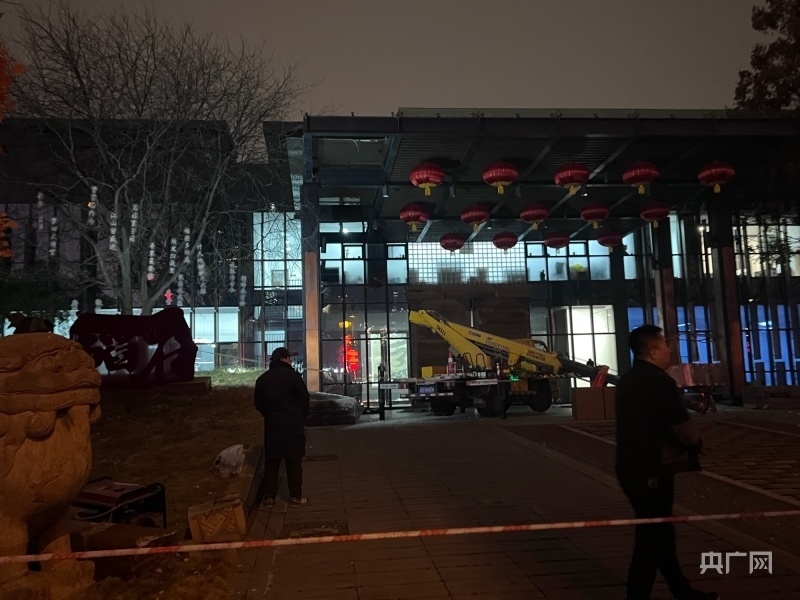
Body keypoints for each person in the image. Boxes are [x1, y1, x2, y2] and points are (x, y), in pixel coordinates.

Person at [615, 325, 717, 600]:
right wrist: (696, 444)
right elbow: (681, 426)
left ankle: (682, 591)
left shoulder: (628, 380)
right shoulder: (660, 382)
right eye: (664, 345)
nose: (669, 350)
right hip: (653, 470)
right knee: (653, 537)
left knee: (660, 534)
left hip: (630, 466)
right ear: (652, 351)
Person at [254, 347, 310, 507]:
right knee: (294, 462)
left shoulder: (263, 379)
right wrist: (301, 417)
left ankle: (269, 497)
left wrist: (269, 415)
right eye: (289, 358)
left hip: (273, 425)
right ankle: (295, 497)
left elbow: (258, 403)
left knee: (272, 462)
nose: (290, 361)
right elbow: (304, 399)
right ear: (284, 359)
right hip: (293, 425)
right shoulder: (294, 377)